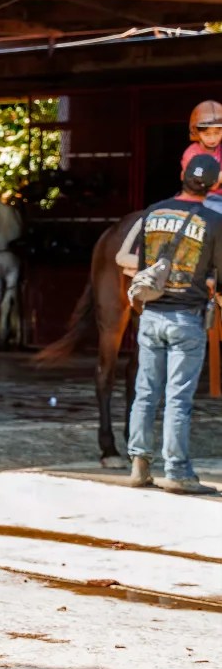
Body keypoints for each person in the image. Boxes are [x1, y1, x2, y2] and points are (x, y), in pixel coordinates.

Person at [124, 152, 221, 495]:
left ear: (182, 176)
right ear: (214, 184)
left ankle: (139, 465)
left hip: (151, 315)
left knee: (145, 392)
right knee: (178, 398)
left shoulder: (153, 212)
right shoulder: (213, 221)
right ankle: (177, 471)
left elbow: (142, 265)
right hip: (186, 319)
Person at [183, 100, 222, 214]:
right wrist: (217, 178)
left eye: (217, 133)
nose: (212, 139)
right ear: (196, 132)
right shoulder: (192, 153)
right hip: (203, 198)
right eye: (207, 134)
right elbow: (194, 182)